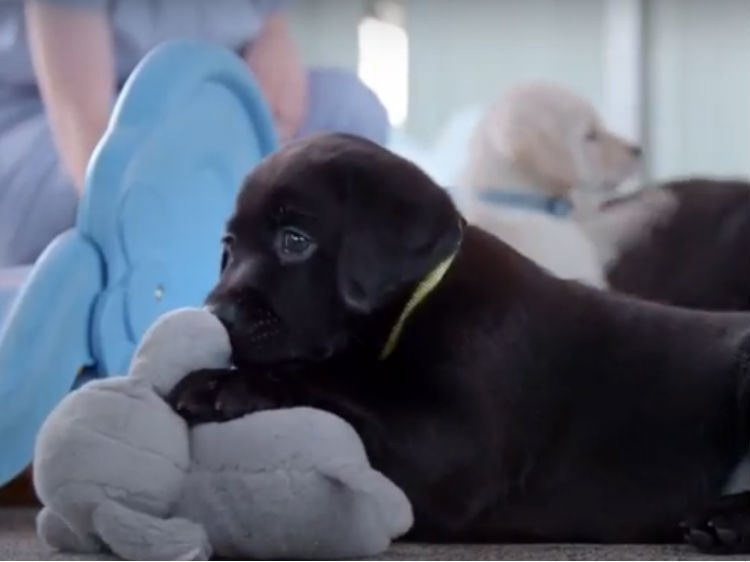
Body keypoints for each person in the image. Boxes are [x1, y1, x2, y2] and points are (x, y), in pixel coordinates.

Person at [0, 0, 389, 267]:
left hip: (210, 106)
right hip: (52, 130)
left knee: (351, 114)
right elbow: (83, 126)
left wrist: (272, 47)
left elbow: (270, 27)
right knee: (162, 184)